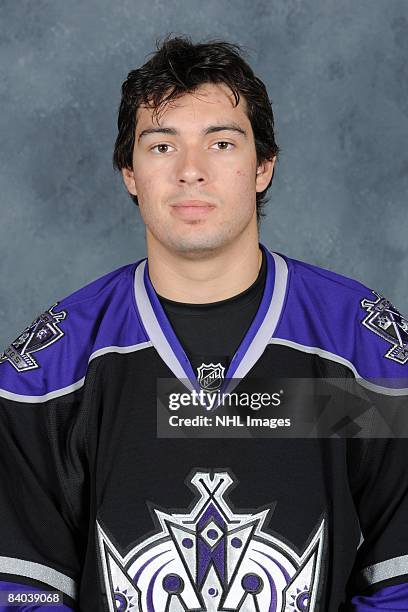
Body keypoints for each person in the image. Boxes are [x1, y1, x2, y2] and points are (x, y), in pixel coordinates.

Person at [0, 34, 407, 612]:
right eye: (162, 147)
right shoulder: (48, 370)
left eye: (221, 143)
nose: (191, 172)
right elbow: (20, 590)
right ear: (129, 172)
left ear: (263, 165)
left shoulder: (362, 346)